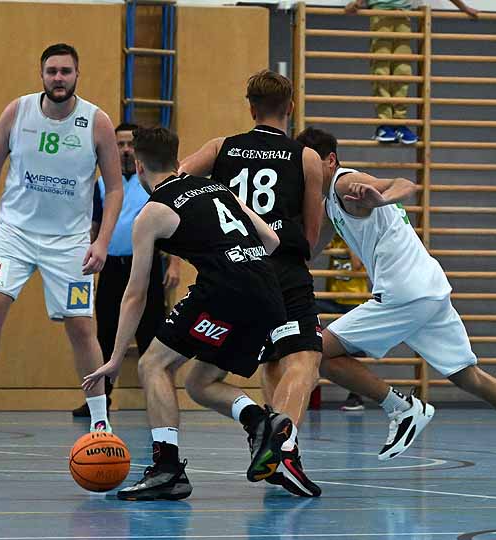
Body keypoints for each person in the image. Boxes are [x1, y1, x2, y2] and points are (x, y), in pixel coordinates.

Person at [297, 127, 496, 480]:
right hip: (427, 290)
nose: (304, 171)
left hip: (403, 293)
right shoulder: (329, 202)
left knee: (315, 350)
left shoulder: (344, 182)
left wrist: (382, 198)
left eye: (309, 163)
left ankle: (401, 407)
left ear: (330, 160)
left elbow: (404, 183)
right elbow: (308, 250)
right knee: (469, 376)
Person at [83, 127, 295, 501]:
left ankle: (167, 469)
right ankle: (261, 421)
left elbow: (135, 295)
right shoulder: (217, 188)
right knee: (200, 383)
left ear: (139, 165)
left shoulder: (152, 213)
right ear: (177, 159)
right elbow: (272, 240)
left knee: (153, 364)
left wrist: (115, 359)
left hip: (224, 291)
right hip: (267, 293)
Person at [0, 43, 123, 448]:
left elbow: (115, 188)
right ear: (42, 75)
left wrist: (102, 241)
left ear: (77, 74)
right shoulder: (17, 112)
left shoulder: (97, 122)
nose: (59, 78)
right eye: (52, 71)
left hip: (69, 242)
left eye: (66, 71)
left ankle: (100, 421)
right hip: (14, 234)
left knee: (81, 327)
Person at [179, 70, 324, 497]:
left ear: (251, 108)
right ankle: (282, 446)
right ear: (290, 107)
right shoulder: (306, 158)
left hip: (235, 269)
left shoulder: (220, 148)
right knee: (304, 360)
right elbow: (311, 236)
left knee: (205, 379)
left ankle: (268, 438)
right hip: (283, 269)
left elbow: (176, 184)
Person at [72, 122, 181, 418]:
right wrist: (85, 260)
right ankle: (100, 399)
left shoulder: (153, 182)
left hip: (144, 266)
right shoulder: (103, 184)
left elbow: (172, 223)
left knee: (152, 334)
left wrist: (174, 263)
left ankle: (157, 399)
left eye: (130, 144)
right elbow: (94, 227)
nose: (125, 150)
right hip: (111, 268)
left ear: (138, 150)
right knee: (106, 333)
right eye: (119, 144)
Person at [345, 0, 478, 144]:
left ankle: (399, 122)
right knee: (381, 70)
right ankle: (384, 123)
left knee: (402, 71)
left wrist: (464, 8)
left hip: (404, 15)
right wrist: (358, 2)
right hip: (381, 13)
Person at [318, 234, 369, 411]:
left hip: (354, 299)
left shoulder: (358, 239)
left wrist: (349, 241)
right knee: (308, 307)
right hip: (334, 298)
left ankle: (356, 396)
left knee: (356, 348)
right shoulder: (334, 239)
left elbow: (357, 264)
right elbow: (318, 246)